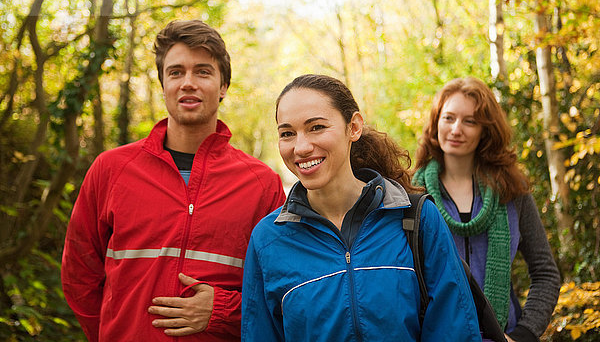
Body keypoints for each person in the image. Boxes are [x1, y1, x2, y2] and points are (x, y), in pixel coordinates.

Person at [61, 19, 286, 341]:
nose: (188, 83)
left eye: (203, 72)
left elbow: (280, 289)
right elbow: (79, 274)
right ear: (163, 83)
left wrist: (223, 311)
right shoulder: (111, 169)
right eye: (176, 72)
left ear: (223, 87)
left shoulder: (261, 184)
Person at [241, 74, 482, 341]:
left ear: (353, 127)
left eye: (317, 127)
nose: (301, 147)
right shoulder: (267, 241)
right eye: (287, 133)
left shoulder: (417, 219)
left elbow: (454, 330)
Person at [413, 77, 560, 342]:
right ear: (436, 123)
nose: (456, 129)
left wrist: (524, 334)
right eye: (448, 118)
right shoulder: (414, 196)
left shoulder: (512, 192)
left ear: (485, 130)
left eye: (470, 121)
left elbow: (545, 272)